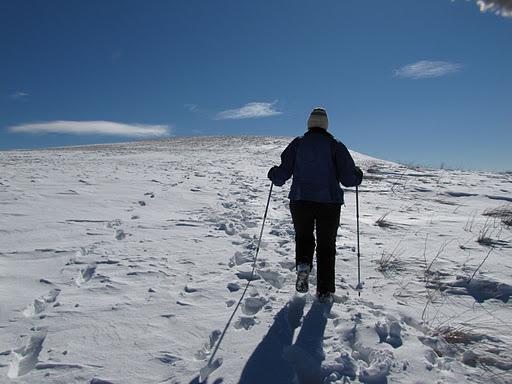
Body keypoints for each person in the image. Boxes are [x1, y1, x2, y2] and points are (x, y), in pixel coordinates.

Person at [267, 107, 363, 302]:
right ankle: (325, 291)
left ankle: (303, 265)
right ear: (326, 125)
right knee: (327, 245)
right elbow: (348, 179)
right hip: (329, 202)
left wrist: (273, 174)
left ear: (309, 123)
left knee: (303, 238)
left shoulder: (298, 144)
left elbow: (282, 175)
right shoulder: (335, 145)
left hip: (300, 200)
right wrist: (358, 175)